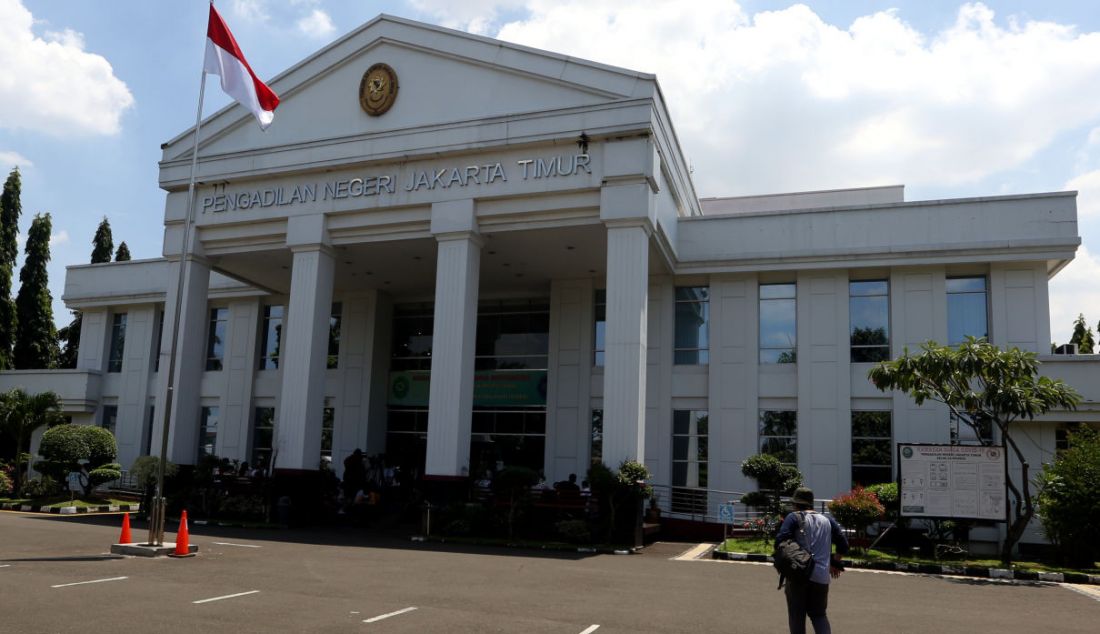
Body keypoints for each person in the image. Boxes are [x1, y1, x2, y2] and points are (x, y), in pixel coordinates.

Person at [775, 487, 849, 634]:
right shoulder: (827, 520)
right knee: (819, 615)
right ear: (811, 504)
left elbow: (780, 541)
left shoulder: (793, 517)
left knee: (797, 616)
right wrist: (833, 562)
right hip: (822, 577)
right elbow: (843, 545)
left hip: (799, 575)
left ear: (795, 504)